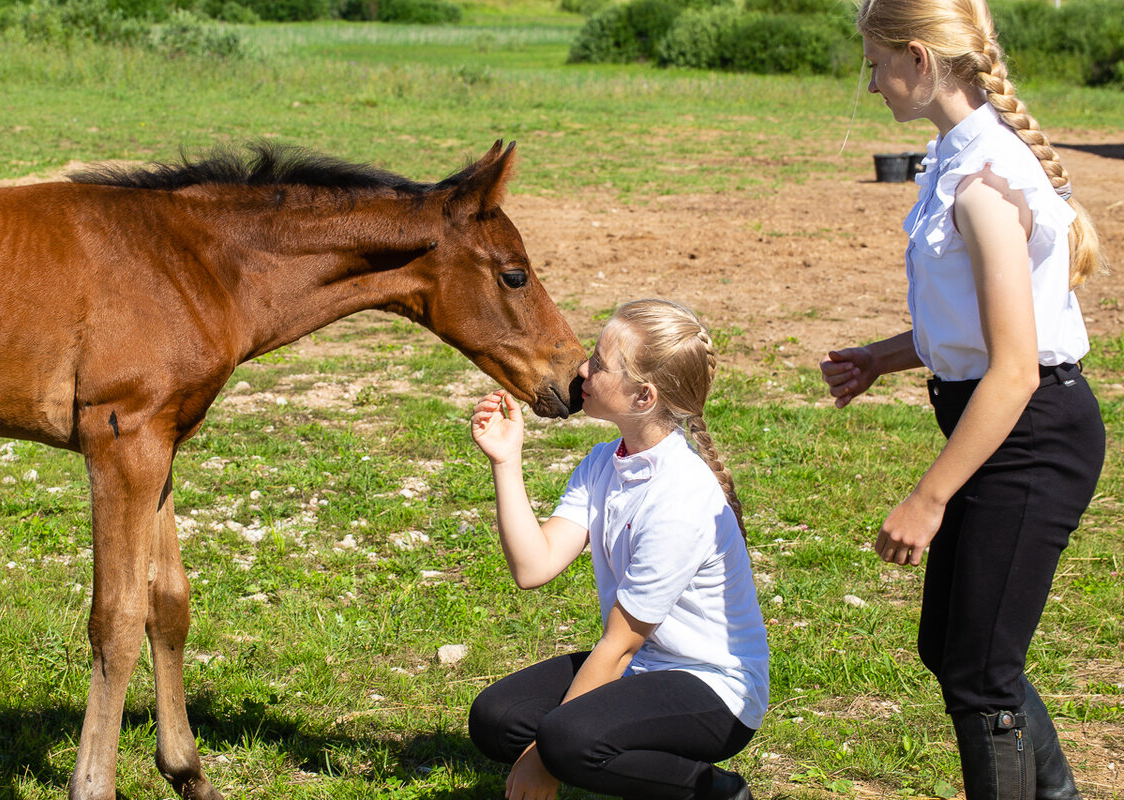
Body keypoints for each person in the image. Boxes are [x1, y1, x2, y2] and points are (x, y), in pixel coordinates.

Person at [819, 1, 1108, 798]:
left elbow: (1014, 368)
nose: (872, 84)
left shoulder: (986, 181)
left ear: (917, 58)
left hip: (1030, 433)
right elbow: (976, 328)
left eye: (875, 66)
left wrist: (929, 496)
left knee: (981, 672)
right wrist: (882, 357)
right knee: (952, 647)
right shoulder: (955, 154)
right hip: (1000, 422)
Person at [467, 299, 768, 800]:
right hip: (645, 663)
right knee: (496, 718)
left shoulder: (680, 498)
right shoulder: (608, 460)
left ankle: (714, 792)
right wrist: (506, 460)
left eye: (601, 364)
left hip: (714, 689)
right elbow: (533, 565)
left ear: (643, 396)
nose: (583, 368)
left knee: (564, 741)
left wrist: (542, 759)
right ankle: (602, 744)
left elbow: (619, 644)